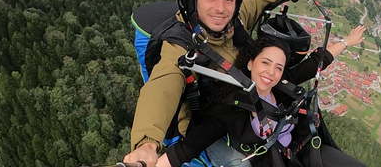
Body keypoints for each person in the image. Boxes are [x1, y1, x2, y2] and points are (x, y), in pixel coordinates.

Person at [124, 0, 335, 167]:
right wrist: (146, 144)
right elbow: (163, 87)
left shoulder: (237, 20)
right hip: (210, 125)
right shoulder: (180, 45)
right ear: (195, 0)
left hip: (243, 107)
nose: (220, 8)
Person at [157, 28, 367, 167]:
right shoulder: (232, 107)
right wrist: (152, 160)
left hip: (304, 152)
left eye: (278, 67)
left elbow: (315, 63)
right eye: (265, 63)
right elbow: (191, 146)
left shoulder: (283, 86)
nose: (271, 73)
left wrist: (347, 41)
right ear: (250, 63)